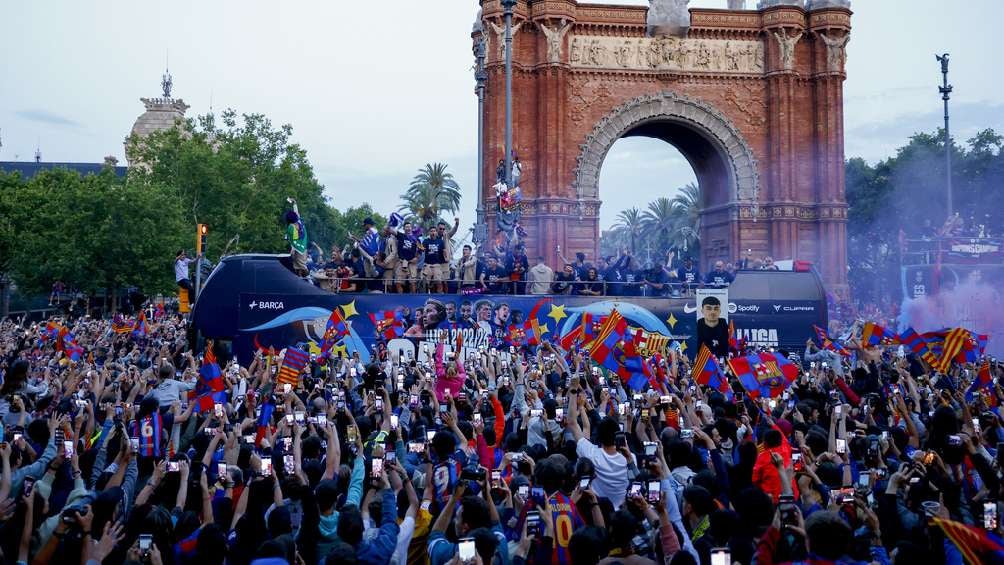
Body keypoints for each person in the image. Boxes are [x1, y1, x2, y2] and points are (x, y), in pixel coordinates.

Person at [285, 198, 310, 277]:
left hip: (298, 249)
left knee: (301, 266)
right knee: (298, 267)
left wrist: (292, 249)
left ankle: (309, 279)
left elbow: (294, 239)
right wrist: (294, 203)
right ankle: (300, 280)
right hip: (303, 248)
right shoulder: (299, 221)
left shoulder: (292, 226)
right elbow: (296, 212)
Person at [422, 226, 448, 294]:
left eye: (434, 231)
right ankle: (425, 296)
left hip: (437, 265)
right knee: (425, 283)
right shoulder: (425, 241)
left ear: (436, 232)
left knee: (439, 282)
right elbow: (421, 250)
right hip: (427, 264)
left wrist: (446, 257)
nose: (433, 232)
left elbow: (444, 251)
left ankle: (439, 296)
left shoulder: (440, 241)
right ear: (429, 232)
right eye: (431, 231)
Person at [396, 221, 420, 293]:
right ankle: (400, 299)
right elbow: (391, 230)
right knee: (398, 283)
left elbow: (421, 249)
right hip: (402, 262)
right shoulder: (401, 235)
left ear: (411, 228)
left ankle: (413, 300)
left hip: (412, 263)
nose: (408, 228)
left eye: (409, 227)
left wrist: (417, 258)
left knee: (412, 283)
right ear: (404, 228)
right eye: (406, 227)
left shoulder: (416, 238)